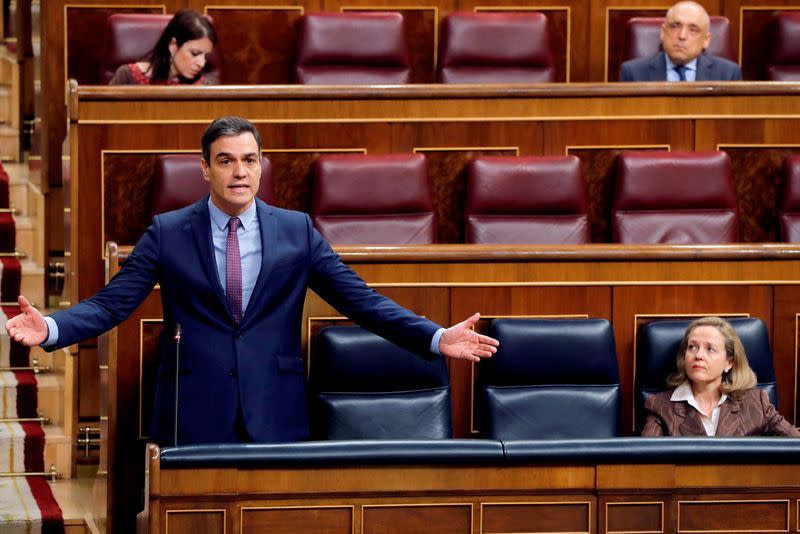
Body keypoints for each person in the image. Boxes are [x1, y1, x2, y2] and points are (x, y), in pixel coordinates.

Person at [6, 116, 499, 445]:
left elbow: (362, 301)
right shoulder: (169, 232)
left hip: (275, 408)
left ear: (260, 166)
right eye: (225, 161)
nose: (239, 172)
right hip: (191, 410)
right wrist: (50, 328)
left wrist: (435, 337)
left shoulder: (297, 230)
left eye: (249, 160)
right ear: (205, 169)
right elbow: (112, 305)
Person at [641, 316, 799, 436]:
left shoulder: (756, 403)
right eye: (692, 347)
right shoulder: (659, 406)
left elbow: (793, 445)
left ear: (729, 363)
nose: (698, 355)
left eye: (710, 349)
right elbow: (647, 463)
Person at [619, 1, 742, 82]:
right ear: (662, 32)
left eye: (693, 30)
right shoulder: (633, 73)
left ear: (706, 40)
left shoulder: (728, 74)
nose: (682, 36)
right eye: (675, 26)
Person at [109, 9, 218, 85]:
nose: (201, 63)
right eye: (195, 53)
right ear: (173, 46)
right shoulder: (127, 76)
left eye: (206, 56)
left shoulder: (205, 86)